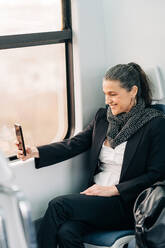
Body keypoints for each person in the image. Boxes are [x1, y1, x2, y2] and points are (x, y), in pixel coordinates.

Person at [16, 62, 165, 248]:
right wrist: (35, 151)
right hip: (95, 198)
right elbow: (74, 144)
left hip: (125, 203)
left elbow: (156, 175)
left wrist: (114, 189)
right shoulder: (103, 118)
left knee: (58, 205)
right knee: (67, 232)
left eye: (113, 94)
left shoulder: (154, 124)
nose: (107, 100)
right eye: (105, 93)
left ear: (133, 91)